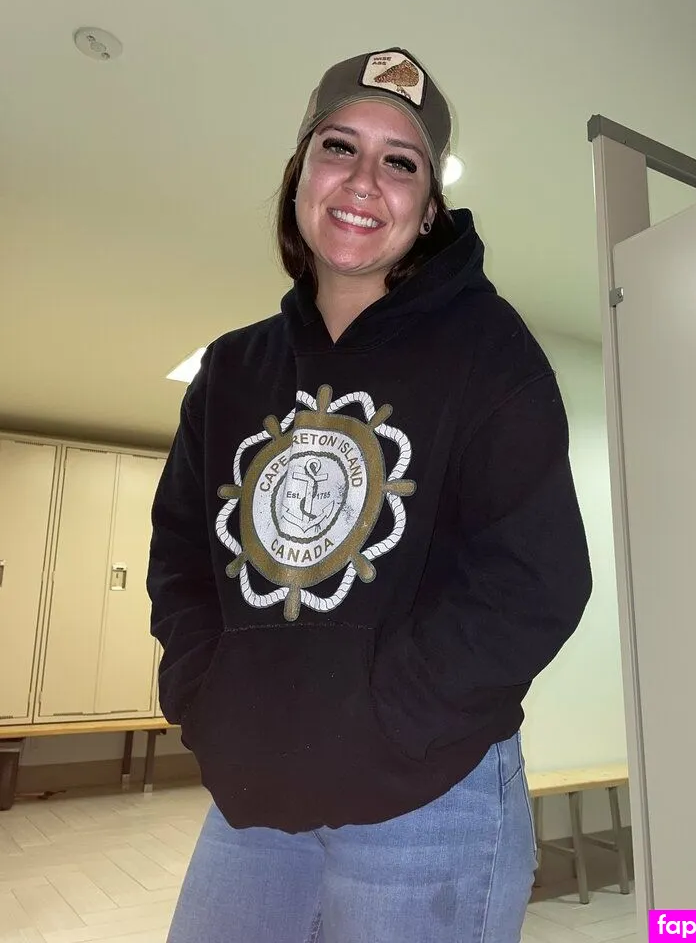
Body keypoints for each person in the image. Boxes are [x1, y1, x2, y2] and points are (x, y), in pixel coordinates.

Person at [147, 46, 592, 943]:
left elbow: (534, 582)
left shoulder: (491, 352)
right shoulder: (231, 369)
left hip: (427, 791)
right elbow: (180, 560)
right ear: (301, 170)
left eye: (400, 162)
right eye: (339, 147)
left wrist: (385, 718)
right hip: (254, 791)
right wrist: (209, 698)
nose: (362, 182)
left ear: (428, 209)